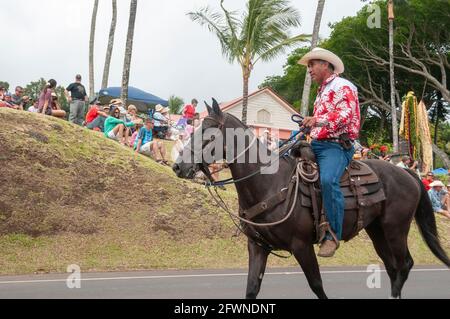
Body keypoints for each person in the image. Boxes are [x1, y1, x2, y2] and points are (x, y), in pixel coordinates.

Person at [298, 47, 360, 257]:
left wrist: (317, 120)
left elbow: (345, 115)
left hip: (335, 146)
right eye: (308, 66)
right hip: (317, 143)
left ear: (325, 64)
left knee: (327, 180)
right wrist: (309, 127)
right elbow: (322, 122)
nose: (309, 70)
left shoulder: (344, 86)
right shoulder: (322, 91)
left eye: (311, 65)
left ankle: (332, 235)